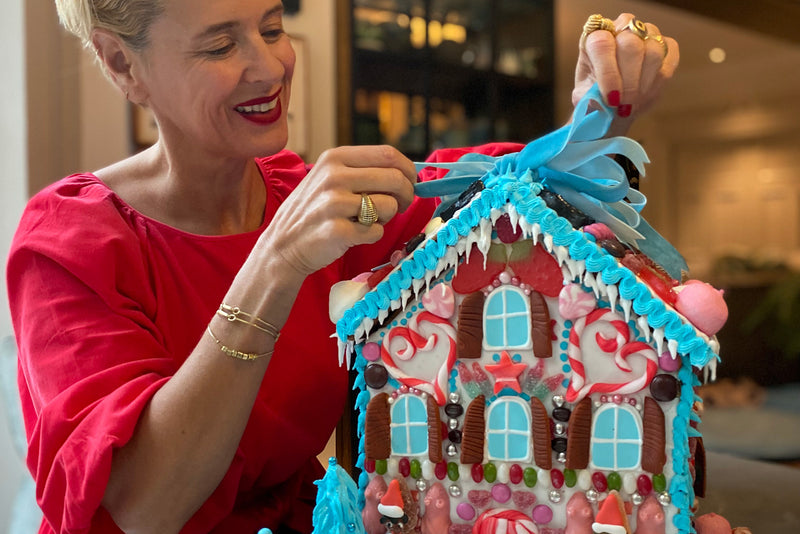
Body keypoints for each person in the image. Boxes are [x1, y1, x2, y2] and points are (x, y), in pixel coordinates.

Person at [7, 2, 680, 533]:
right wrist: (276, 263)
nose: (268, 65)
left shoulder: (323, 201)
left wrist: (594, 108)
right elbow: (146, 509)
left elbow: (511, 184)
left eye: (272, 28)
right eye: (220, 44)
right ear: (122, 63)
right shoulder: (72, 240)